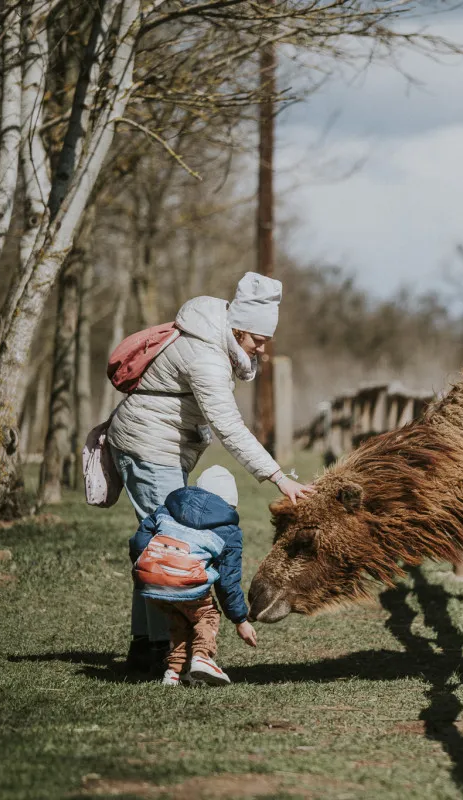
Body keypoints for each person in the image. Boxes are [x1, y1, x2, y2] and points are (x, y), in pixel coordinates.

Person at [108, 272, 314, 672]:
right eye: (258, 340)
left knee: (162, 543)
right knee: (171, 546)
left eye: (267, 341)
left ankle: (149, 645)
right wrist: (278, 476)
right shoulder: (206, 357)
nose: (262, 349)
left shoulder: (215, 343)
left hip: (160, 447)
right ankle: (164, 650)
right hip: (148, 445)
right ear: (238, 329)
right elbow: (229, 427)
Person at [130, 465, 257, 686]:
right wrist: (240, 620)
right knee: (205, 616)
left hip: (151, 582)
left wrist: (145, 565)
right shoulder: (229, 530)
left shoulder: (167, 509)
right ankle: (202, 657)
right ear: (230, 503)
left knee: (180, 620)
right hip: (186, 582)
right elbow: (228, 582)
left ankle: (173, 672)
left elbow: (139, 540)